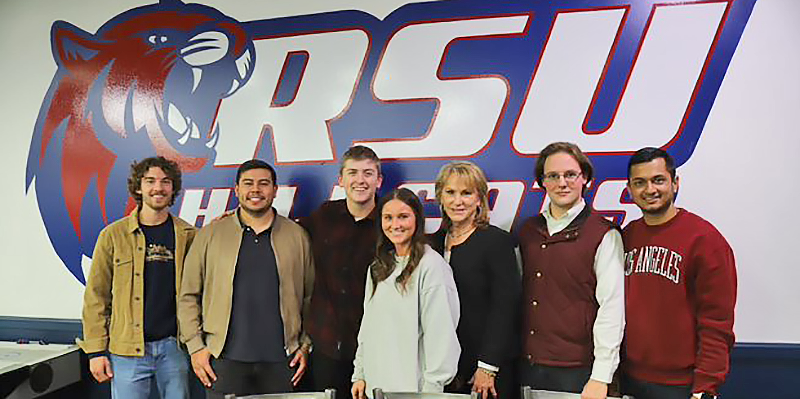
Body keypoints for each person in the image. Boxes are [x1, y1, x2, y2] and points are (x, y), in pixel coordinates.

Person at [177, 159, 314, 399]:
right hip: (223, 360)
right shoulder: (210, 234)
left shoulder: (297, 236)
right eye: (248, 183)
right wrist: (196, 347)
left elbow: (311, 296)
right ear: (237, 189)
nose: (256, 190)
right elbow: (188, 295)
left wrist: (305, 344)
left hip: (282, 363)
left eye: (264, 184)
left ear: (275, 190)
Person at [621, 147, 736, 399]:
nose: (649, 190)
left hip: (683, 385)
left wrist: (706, 386)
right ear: (629, 190)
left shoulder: (705, 241)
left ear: (675, 183)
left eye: (658, 180)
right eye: (639, 183)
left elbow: (716, 323)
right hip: (629, 379)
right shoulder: (626, 236)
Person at [79, 156, 196, 399]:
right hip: (127, 351)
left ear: (173, 188)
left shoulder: (189, 235)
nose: (158, 188)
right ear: (138, 187)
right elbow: (96, 297)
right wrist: (96, 352)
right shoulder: (113, 235)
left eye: (166, 181)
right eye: (150, 180)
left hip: (174, 348)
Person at [517, 142, 625, 399]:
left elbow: (612, 307)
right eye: (553, 176)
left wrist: (601, 376)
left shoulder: (603, 234)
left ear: (585, 178)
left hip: (579, 371)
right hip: (529, 366)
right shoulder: (528, 231)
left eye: (570, 174)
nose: (562, 183)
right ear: (542, 182)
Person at [351, 188, 460, 398]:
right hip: (376, 387)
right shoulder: (378, 267)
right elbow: (368, 326)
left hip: (414, 390)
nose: (395, 225)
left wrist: (432, 391)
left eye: (403, 217)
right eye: (388, 218)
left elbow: (441, 334)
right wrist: (360, 373)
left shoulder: (432, 266)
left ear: (417, 219)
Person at [428, 161, 521, 399]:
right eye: (450, 192)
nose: (458, 201)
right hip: (444, 369)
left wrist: (487, 367)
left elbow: (505, 307)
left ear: (480, 199)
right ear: (440, 196)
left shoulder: (496, 242)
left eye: (466, 193)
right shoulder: (431, 245)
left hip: (487, 370)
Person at [298, 145, 383, 394]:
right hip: (327, 346)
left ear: (379, 181)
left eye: (368, 173)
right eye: (353, 172)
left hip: (374, 348)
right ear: (341, 180)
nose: (360, 180)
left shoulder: (390, 222)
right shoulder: (325, 215)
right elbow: (285, 232)